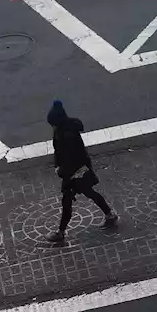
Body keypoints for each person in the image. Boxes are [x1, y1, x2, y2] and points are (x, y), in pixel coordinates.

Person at [46, 100, 116, 244]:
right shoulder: (63, 130)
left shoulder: (66, 135)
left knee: (68, 201)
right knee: (88, 193)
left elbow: (68, 156)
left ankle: (61, 232)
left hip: (75, 172)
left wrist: (61, 171)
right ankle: (109, 214)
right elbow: (59, 152)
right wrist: (58, 165)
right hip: (76, 171)